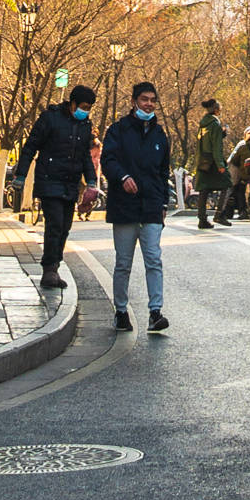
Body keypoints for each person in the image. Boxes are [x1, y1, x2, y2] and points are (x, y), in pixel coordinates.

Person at [11, 78, 100, 289]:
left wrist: (91, 181)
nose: (85, 112)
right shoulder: (50, 119)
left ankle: (54, 267)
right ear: (72, 103)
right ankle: (49, 269)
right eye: (83, 107)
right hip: (49, 179)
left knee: (65, 227)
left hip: (70, 183)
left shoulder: (85, 126)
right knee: (55, 225)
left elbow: (85, 157)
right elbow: (31, 145)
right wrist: (21, 174)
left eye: (88, 109)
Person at [100, 79, 173, 334]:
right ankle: (121, 311)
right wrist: (122, 178)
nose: (149, 104)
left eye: (153, 100)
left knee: (154, 259)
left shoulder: (160, 134)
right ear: (134, 102)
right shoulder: (118, 130)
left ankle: (156, 312)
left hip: (152, 206)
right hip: (125, 206)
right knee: (123, 262)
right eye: (144, 100)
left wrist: (163, 202)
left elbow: (164, 171)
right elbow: (107, 160)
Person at [192, 97, 233, 230]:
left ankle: (202, 219)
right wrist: (220, 165)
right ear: (216, 110)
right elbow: (216, 147)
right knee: (227, 184)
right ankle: (219, 214)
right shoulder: (215, 125)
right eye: (219, 109)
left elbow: (206, 142)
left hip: (202, 161)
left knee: (204, 190)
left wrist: (222, 134)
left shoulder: (203, 125)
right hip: (213, 162)